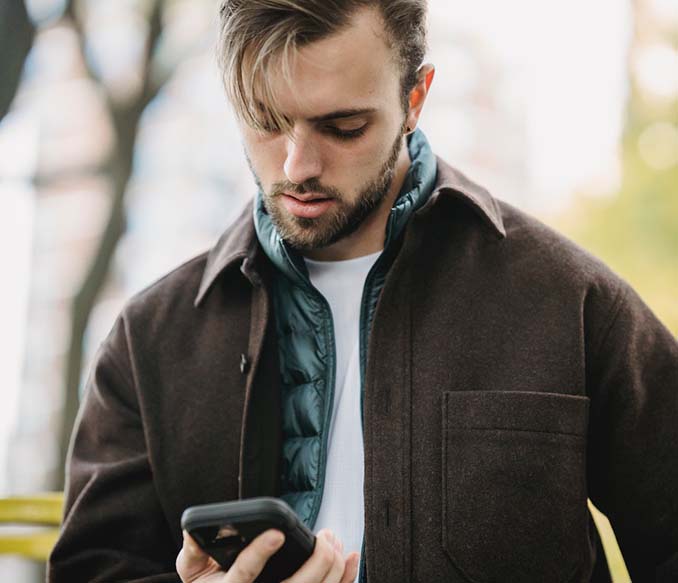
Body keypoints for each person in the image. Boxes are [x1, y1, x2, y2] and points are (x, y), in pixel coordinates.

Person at [48, 1, 678, 582]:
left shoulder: (570, 300)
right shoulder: (150, 339)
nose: (297, 166)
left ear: (416, 99)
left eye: (342, 127)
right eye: (265, 122)